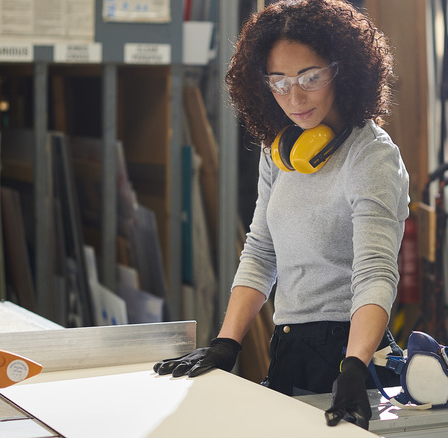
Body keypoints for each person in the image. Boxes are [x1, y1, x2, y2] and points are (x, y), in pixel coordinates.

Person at [154, 0, 409, 429]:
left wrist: (354, 366)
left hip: (352, 356)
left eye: (310, 77)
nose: (295, 96)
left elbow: (375, 271)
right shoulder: (281, 152)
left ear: (343, 70)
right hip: (288, 345)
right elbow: (260, 251)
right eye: (279, 81)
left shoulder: (371, 157)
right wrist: (226, 342)